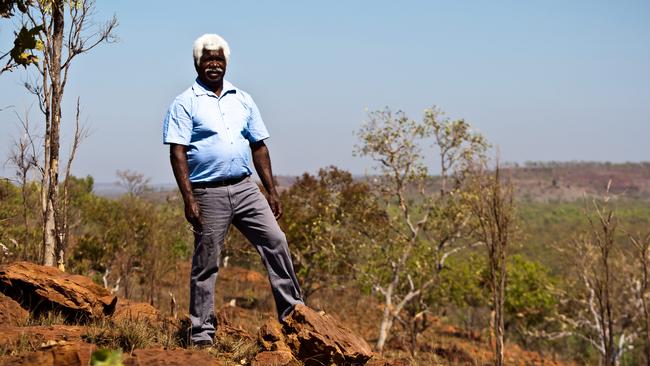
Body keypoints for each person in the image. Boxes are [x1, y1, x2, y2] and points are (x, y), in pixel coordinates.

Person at [162, 33, 304, 347]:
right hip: (207, 193)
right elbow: (177, 152)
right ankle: (201, 334)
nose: (214, 64)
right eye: (207, 59)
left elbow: (259, 146)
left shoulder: (243, 98)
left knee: (276, 241)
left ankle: (294, 315)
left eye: (219, 59)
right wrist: (189, 199)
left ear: (226, 63)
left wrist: (271, 189)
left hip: (244, 188)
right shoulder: (185, 102)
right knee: (206, 261)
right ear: (197, 63)